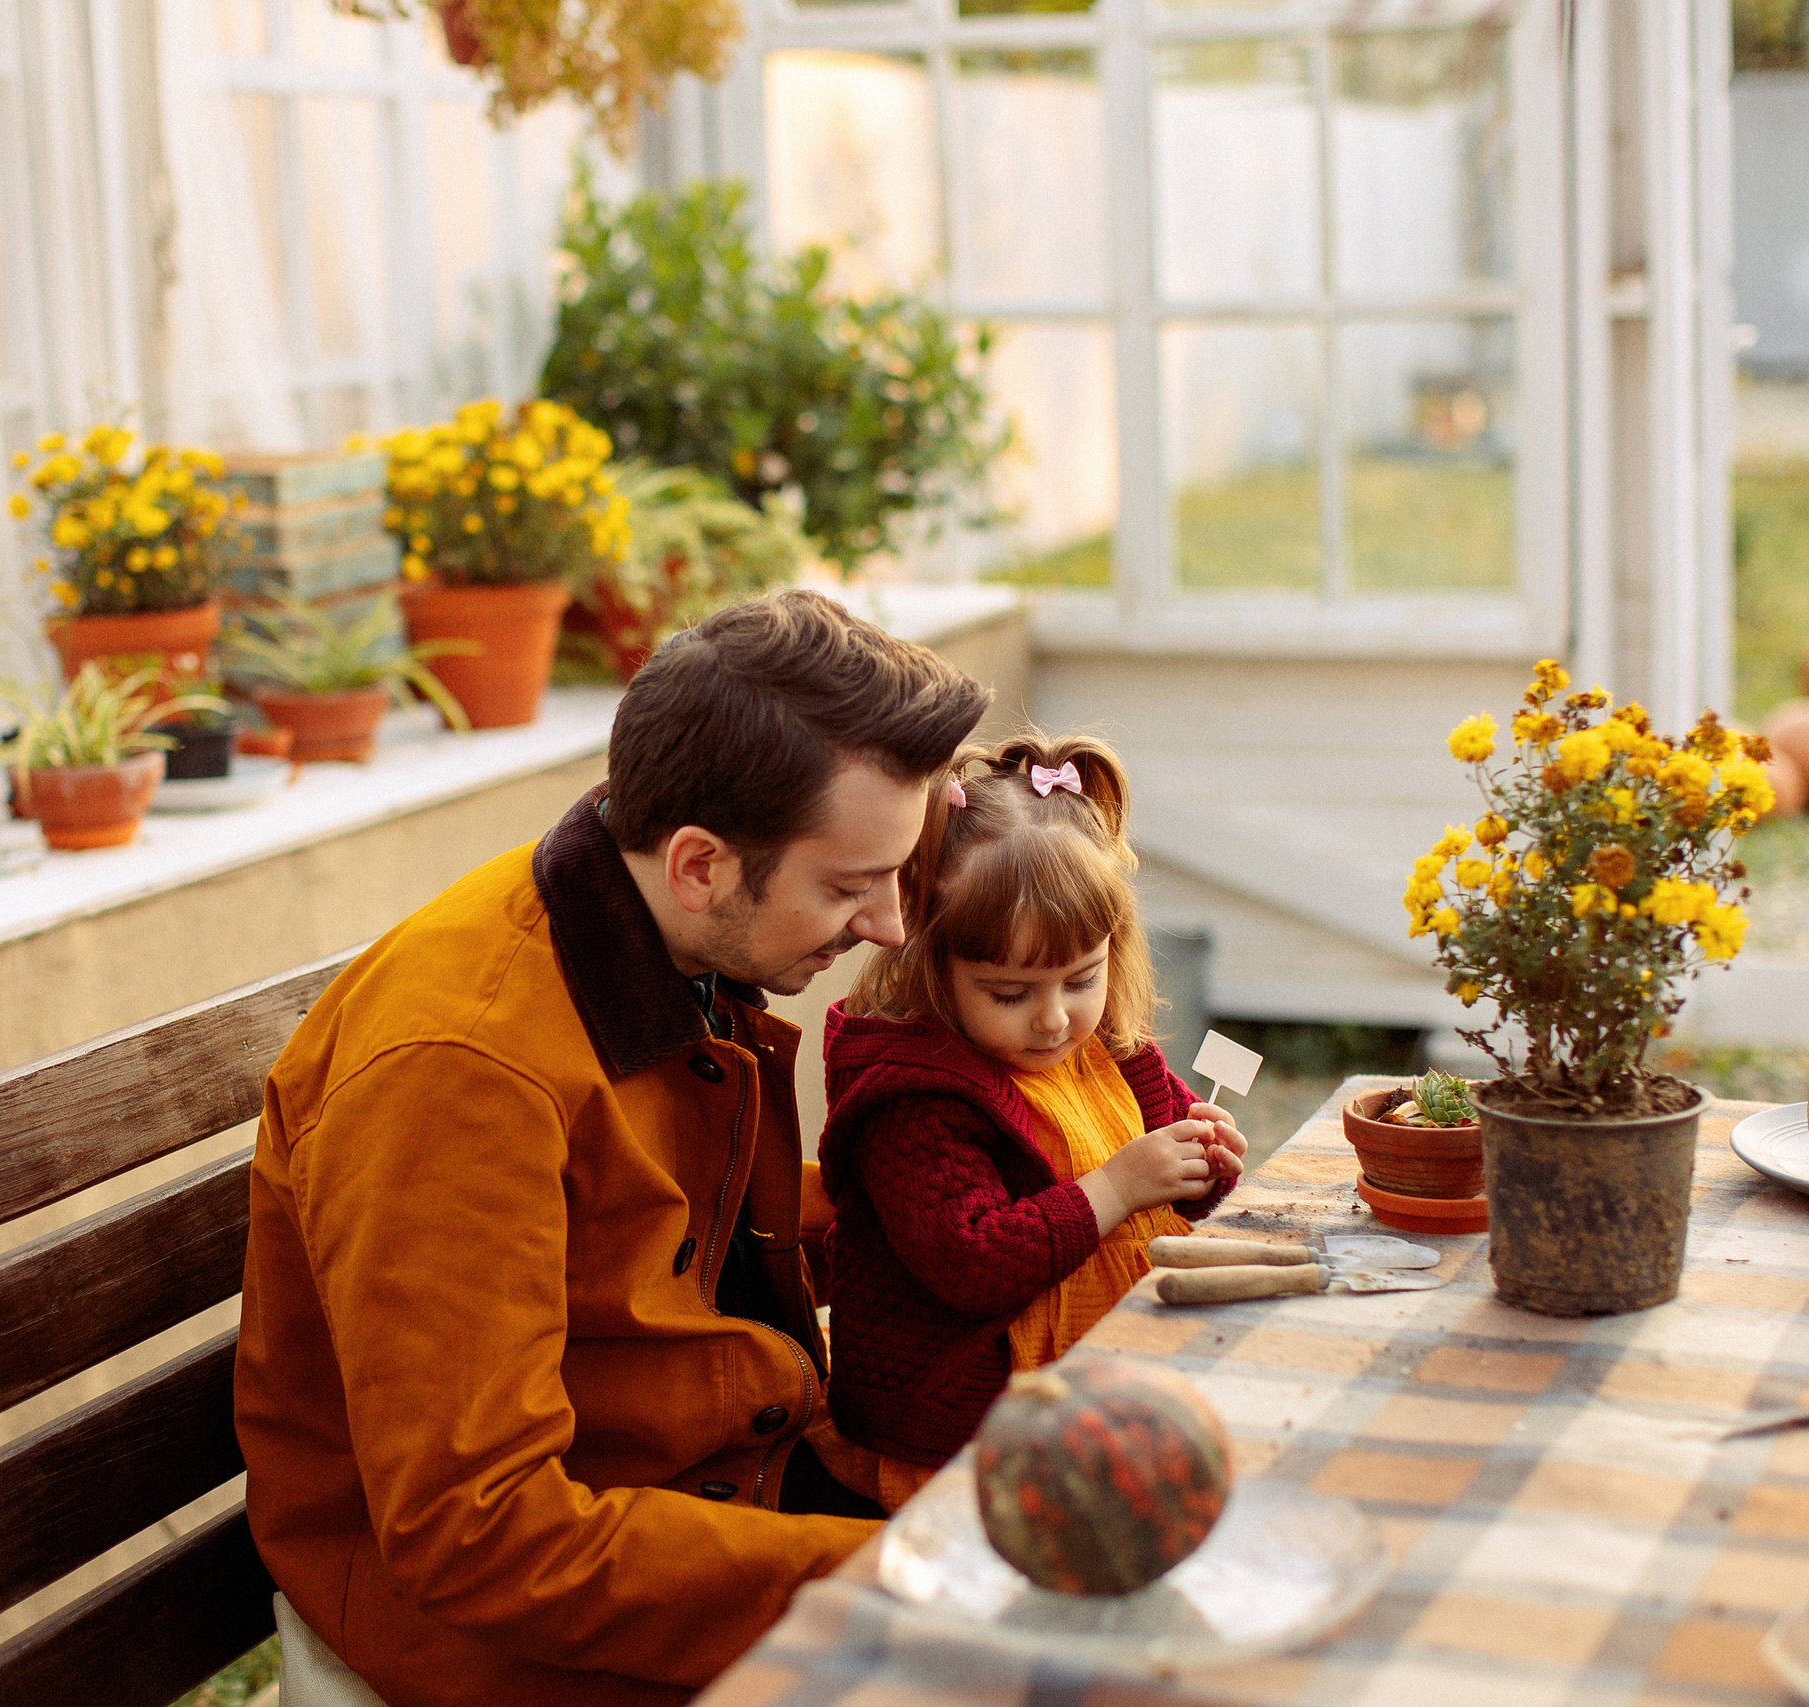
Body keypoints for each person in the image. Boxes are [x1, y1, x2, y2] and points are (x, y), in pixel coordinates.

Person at [234, 590, 993, 1707]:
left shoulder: (649, 927)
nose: (888, 922)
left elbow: (654, 1239)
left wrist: (997, 1205)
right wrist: (909, 1577)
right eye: (848, 884)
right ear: (699, 865)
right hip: (516, 1643)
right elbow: (478, 1538)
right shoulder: (461, 1077)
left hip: (711, 1509)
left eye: (897, 871)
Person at [814, 733, 1247, 1512]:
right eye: (1010, 993)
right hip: (971, 1435)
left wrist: (1203, 1163)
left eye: (1080, 979)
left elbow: (1168, 1178)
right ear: (931, 963)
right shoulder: (913, 1102)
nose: (1053, 1019)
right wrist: (1119, 1184)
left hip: (1102, 1391)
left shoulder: (1108, 1049)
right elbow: (972, 1261)